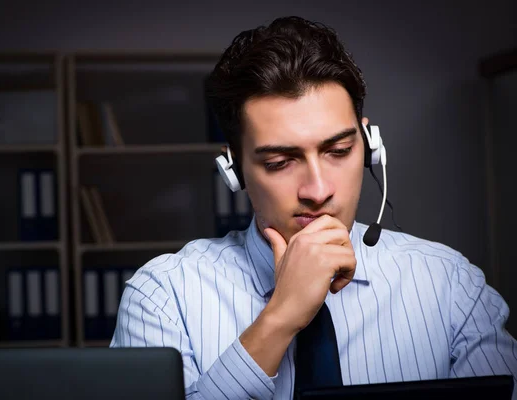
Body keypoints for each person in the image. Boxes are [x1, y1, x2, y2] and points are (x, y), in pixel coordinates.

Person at [110, 16, 517, 399]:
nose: (318, 190)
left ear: (370, 148)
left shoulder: (450, 286)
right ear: (233, 171)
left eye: (339, 151)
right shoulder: (164, 296)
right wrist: (281, 317)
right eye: (279, 163)